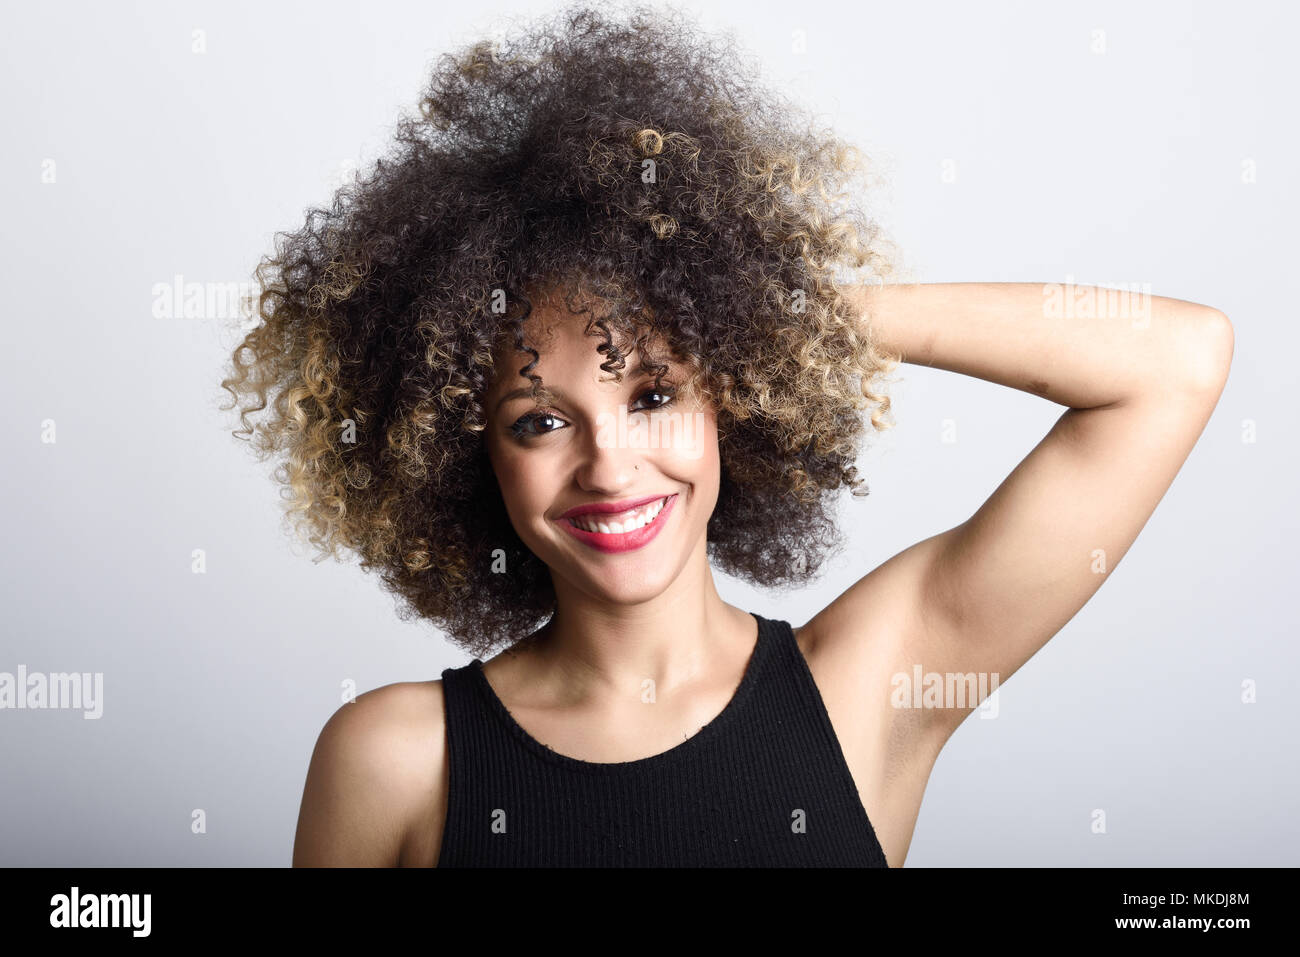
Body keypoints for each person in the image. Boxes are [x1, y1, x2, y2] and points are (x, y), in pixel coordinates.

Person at [219, 3, 1233, 867]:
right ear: (463, 454)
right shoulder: (396, 759)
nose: (609, 463)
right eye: (539, 420)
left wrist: (781, 314)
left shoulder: (867, 688)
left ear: (730, 400)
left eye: (653, 393)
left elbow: (1176, 362)